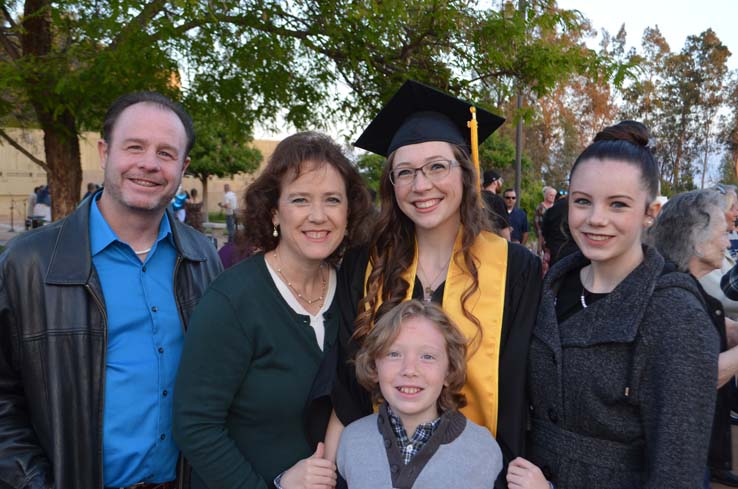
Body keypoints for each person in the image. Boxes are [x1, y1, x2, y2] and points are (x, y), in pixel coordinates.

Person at [320, 80, 542, 488]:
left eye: (438, 166)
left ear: (465, 172)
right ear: (391, 185)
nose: (421, 186)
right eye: (404, 172)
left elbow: (522, 386)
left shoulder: (516, 269)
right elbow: (349, 388)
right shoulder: (366, 265)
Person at [0, 91, 223, 489]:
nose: (149, 164)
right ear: (104, 152)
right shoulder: (26, 264)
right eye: (134, 146)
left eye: (166, 153)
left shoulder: (203, 258)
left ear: (183, 166)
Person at [506, 121, 719, 489]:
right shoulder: (550, 289)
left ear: (650, 213)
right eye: (582, 201)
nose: (595, 219)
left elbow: (677, 474)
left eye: (618, 204)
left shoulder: (673, 315)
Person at [172, 131, 374, 489]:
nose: (318, 215)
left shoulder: (353, 294)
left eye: (332, 200)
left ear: (349, 212)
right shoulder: (233, 301)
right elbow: (196, 426)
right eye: (299, 200)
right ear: (273, 212)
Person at [337, 300, 502, 488]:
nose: (409, 370)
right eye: (394, 354)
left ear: (449, 371)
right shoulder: (351, 443)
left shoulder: (483, 450)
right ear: (375, 367)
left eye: (427, 356)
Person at [649, 189, 738, 488]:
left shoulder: (682, 285)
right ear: (697, 243)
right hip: (675, 462)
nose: (728, 242)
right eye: (723, 233)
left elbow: (721, 327)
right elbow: (704, 375)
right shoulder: (674, 300)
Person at [700, 184, 738, 319]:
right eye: (732, 207)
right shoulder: (703, 249)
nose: (737, 213)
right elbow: (725, 295)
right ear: (718, 212)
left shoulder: (722, 243)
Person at [481, 169, 512, 240]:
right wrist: (509, 246)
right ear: (495, 182)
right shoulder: (498, 201)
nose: (501, 184)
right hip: (493, 243)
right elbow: (503, 228)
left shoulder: (475, 198)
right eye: (500, 181)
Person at [534, 186, 556, 254]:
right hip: (543, 238)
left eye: (554, 195)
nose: (553, 197)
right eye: (551, 195)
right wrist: (541, 239)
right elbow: (537, 224)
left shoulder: (556, 207)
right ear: (545, 196)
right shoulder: (540, 208)